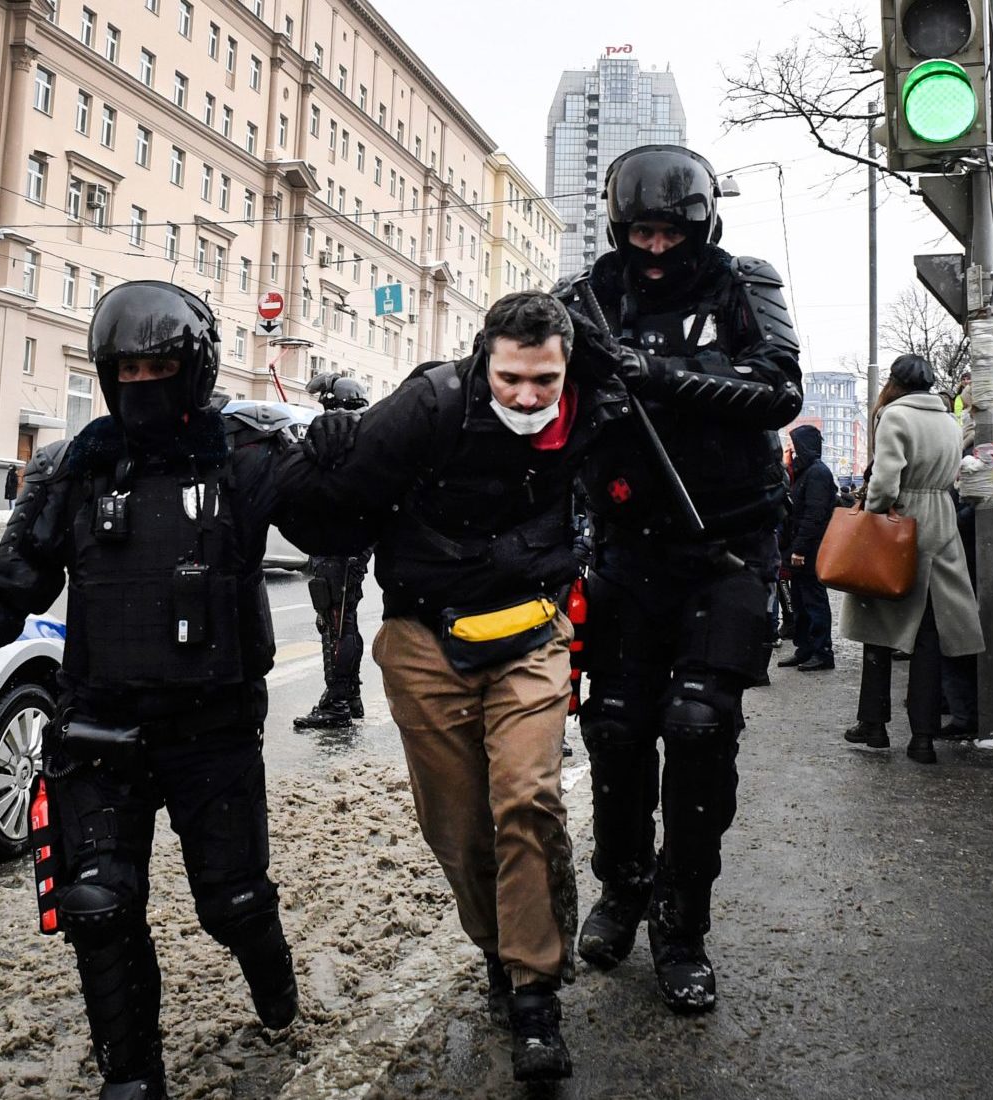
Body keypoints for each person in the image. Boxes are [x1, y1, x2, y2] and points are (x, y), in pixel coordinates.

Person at [0, 281, 338, 1100]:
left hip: (214, 734)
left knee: (231, 904)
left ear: (193, 370)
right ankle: (132, 1079)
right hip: (99, 732)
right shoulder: (79, 470)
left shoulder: (241, 460)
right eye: (126, 369)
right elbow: (4, 587)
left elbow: (339, 521)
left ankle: (274, 983)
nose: (142, 384)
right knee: (97, 905)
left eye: (160, 366)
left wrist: (340, 452)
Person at [300, 291, 614, 1081]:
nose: (528, 397)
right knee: (459, 825)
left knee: (527, 799)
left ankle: (534, 992)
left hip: (532, 635)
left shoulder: (592, 409)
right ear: (485, 360)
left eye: (545, 380)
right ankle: (500, 949)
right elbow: (330, 509)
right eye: (512, 378)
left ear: (565, 366)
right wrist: (324, 448)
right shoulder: (427, 405)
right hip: (424, 636)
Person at [554, 142, 801, 1013]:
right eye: (641, 233)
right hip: (627, 550)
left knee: (698, 731)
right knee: (616, 732)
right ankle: (621, 884)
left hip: (725, 551)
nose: (655, 249)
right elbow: (529, 387)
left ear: (700, 225)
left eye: (670, 232)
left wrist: (659, 376)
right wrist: (589, 397)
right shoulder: (587, 299)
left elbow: (778, 387)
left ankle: (681, 918)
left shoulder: (744, 285)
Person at [839, 355, 983, 764]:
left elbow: (885, 480)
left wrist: (873, 516)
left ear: (895, 382)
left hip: (899, 521)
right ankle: (922, 738)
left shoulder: (893, 416)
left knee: (877, 622)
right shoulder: (948, 421)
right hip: (941, 521)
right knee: (927, 635)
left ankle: (873, 724)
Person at [293, 370, 377, 731]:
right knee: (344, 620)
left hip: (337, 546)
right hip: (351, 547)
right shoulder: (366, 440)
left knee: (336, 623)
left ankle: (337, 702)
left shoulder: (339, 445)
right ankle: (350, 695)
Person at [775, 423, 835, 671]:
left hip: (811, 548)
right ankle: (806, 648)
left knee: (813, 600)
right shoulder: (806, 471)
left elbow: (813, 516)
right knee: (800, 600)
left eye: (795, 445)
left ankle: (821, 651)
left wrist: (799, 549)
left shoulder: (817, 473)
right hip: (801, 546)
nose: (792, 450)